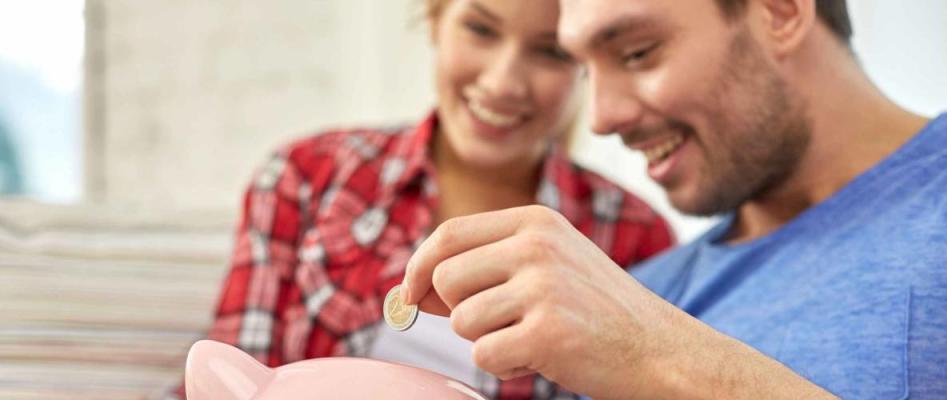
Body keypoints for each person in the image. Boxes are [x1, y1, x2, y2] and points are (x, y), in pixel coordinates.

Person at [403, 0, 947, 398]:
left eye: (638, 52)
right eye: (583, 67)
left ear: (781, 12)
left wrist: (664, 362)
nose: (600, 117)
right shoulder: (644, 294)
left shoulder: (641, 334)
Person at [172, 1, 674, 399]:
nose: (502, 83)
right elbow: (232, 379)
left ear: (584, 67)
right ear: (436, 20)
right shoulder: (306, 176)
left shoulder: (632, 234)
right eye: (480, 28)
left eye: (551, 52)